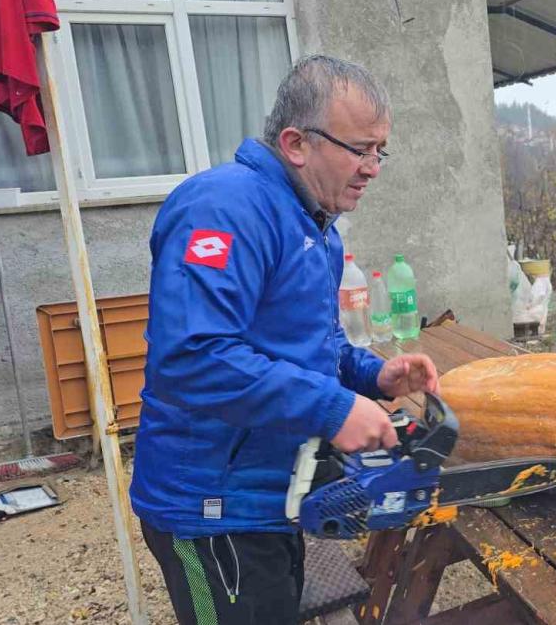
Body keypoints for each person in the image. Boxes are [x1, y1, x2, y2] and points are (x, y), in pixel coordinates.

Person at [130, 55, 439, 625]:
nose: (373, 167)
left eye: (380, 151)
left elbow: (305, 345)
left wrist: (371, 375)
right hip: (211, 509)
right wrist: (333, 407)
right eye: (360, 149)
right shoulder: (225, 208)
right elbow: (191, 357)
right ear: (297, 143)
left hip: (270, 496)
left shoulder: (310, 224)